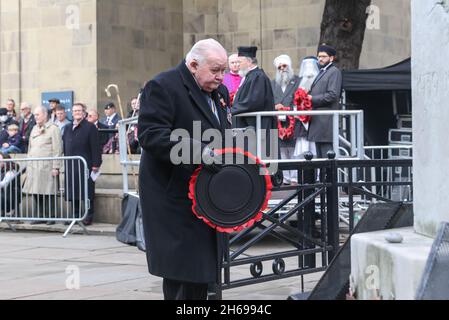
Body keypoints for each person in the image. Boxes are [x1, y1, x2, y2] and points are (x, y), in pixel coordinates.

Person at [138, 38, 231, 300]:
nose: (221, 77)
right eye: (215, 70)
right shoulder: (163, 86)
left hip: (209, 196)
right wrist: (199, 151)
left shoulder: (218, 92)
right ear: (193, 64)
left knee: (205, 275)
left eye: (223, 70)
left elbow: (221, 133)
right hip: (175, 198)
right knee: (184, 275)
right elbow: (151, 135)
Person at [231, 46, 275, 159]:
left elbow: (253, 101)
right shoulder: (250, 76)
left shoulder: (258, 77)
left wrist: (232, 110)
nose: (237, 65)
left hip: (257, 127)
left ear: (249, 62)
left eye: (240, 62)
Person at [62, 103, 102, 226]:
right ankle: (76, 215)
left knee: (87, 190)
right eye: (75, 111)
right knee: (73, 190)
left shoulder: (90, 127)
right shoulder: (67, 127)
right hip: (71, 164)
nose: (77, 113)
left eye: (79, 110)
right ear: (72, 113)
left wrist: (96, 164)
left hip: (85, 164)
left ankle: (88, 215)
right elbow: (64, 145)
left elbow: (96, 147)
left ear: (84, 113)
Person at [22, 106, 63, 225]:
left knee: (48, 192)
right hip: (34, 166)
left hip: (47, 167)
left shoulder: (53, 128)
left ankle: (51, 216)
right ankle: (40, 216)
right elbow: (30, 148)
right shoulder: (34, 128)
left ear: (45, 115)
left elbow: (57, 149)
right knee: (36, 192)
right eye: (34, 115)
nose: (35, 117)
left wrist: (56, 166)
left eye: (37, 114)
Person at [271, 54, 306, 185]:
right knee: (282, 150)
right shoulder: (273, 83)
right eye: (279, 67)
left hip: (293, 121)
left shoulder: (298, 81)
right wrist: (275, 107)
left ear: (289, 66)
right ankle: (285, 177)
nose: (282, 69)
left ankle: (294, 177)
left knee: (293, 150)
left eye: (284, 66)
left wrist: (287, 108)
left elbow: (301, 100)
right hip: (278, 122)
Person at [307, 44, 342, 158]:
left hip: (326, 123)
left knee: (327, 159)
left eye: (323, 56)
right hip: (319, 122)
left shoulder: (334, 71)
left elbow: (333, 95)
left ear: (331, 58)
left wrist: (312, 99)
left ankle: (329, 177)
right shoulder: (322, 71)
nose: (320, 59)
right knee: (321, 159)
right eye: (319, 56)